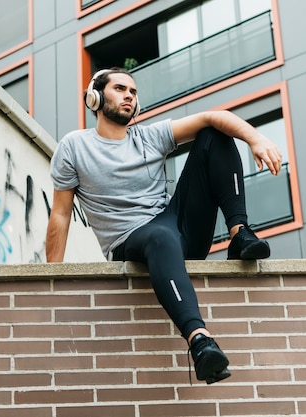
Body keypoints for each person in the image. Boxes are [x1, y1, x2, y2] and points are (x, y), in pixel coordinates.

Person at [46, 68, 283, 384]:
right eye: (120, 88)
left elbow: (214, 115)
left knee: (214, 132)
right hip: (129, 241)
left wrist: (257, 138)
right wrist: (50, 279)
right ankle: (200, 341)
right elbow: (60, 215)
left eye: (133, 90)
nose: (129, 95)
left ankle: (239, 234)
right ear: (95, 97)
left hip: (174, 227)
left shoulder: (148, 136)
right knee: (160, 236)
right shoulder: (74, 146)